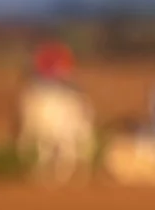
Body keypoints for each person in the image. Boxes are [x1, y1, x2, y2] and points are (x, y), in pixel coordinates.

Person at [16, 42, 96, 184]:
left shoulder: (67, 88)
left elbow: (66, 77)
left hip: (61, 104)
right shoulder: (39, 82)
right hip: (47, 101)